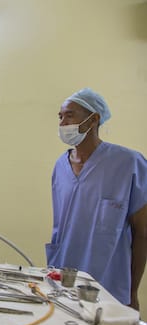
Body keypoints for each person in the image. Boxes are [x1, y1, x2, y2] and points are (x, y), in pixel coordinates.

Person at [47, 87, 147, 310]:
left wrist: (132, 292)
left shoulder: (129, 164)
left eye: (70, 115)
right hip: (64, 281)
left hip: (110, 286)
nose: (63, 123)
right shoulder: (60, 167)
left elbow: (142, 233)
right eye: (60, 116)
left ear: (94, 120)